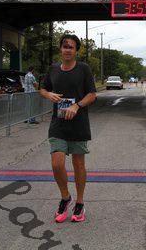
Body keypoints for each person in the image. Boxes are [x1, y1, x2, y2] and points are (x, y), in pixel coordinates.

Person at [39, 34, 97, 223]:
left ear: (76, 51)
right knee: (57, 164)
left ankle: (79, 202)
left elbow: (92, 94)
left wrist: (77, 106)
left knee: (78, 165)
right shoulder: (53, 69)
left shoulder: (83, 69)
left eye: (71, 47)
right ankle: (65, 197)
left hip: (78, 124)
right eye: (65, 46)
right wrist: (48, 95)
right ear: (60, 49)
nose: (67, 50)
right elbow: (43, 89)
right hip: (58, 124)